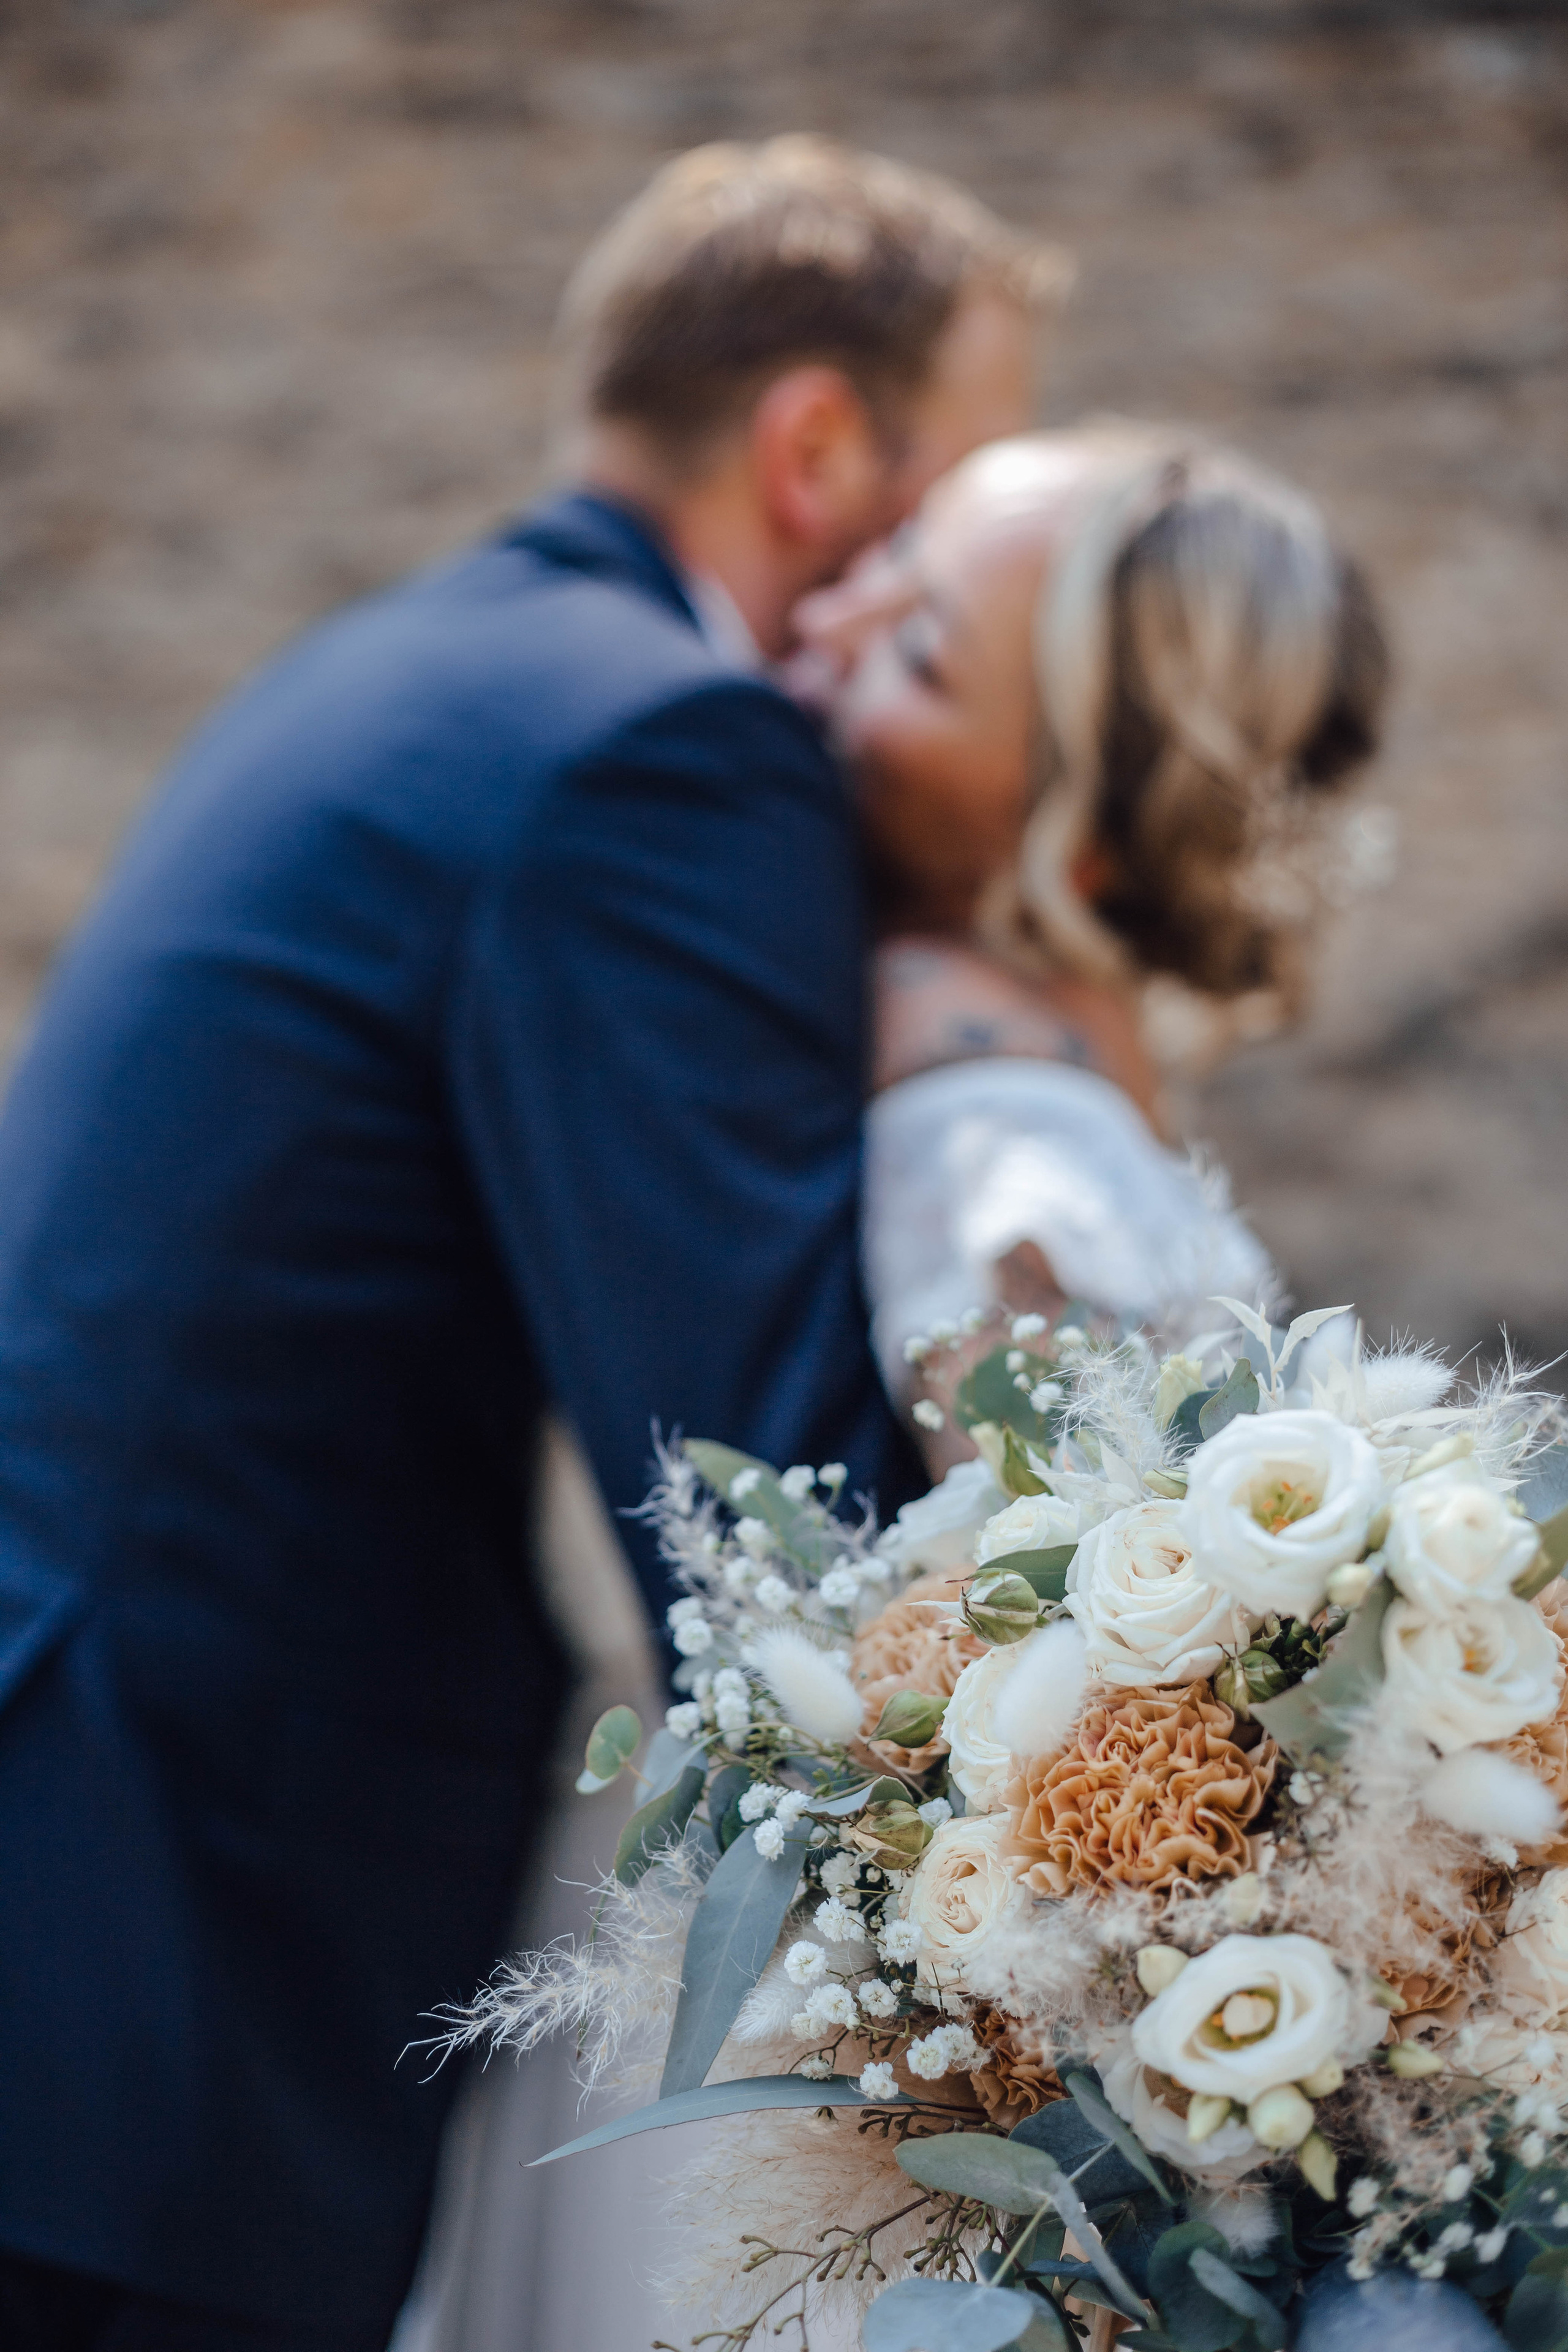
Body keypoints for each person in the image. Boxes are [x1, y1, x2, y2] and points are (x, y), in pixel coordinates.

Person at [0, 138, 1059, 2351]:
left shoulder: (430, 664)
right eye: (966, 479)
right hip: (141, 1963)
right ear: (815, 444)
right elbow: (775, 1533)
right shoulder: (667, 753)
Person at [802, 422, 1387, 1387]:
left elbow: (1040, 1530)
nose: (829, 619)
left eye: (917, 654)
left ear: (1077, 848)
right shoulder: (1018, 1074)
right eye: (896, 550)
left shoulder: (999, 1151)